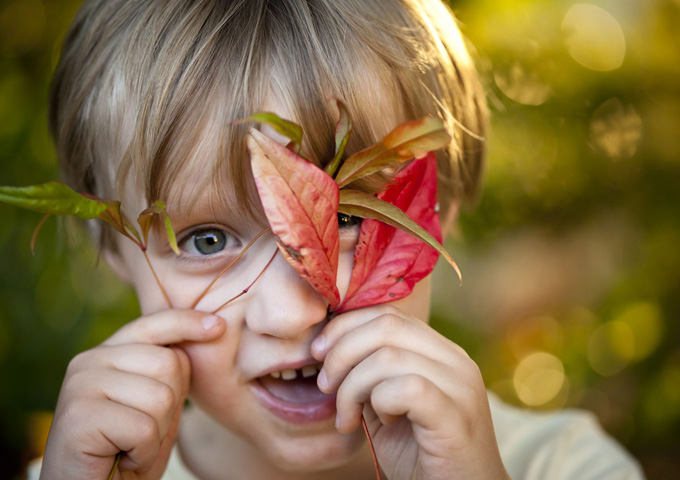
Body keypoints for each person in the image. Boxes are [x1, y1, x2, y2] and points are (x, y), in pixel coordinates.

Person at [29, 0, 643, 478]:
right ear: (111, 249)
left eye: (345, 217)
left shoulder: (566, 466)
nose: (291, 312)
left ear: (438, 207)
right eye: (208, 240)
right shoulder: (73, 473)